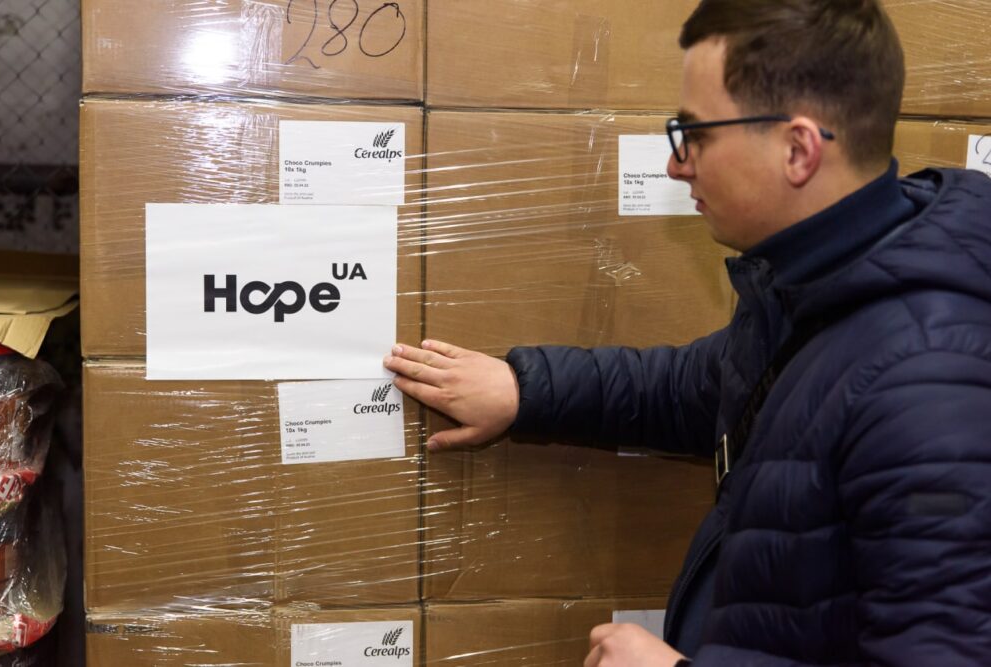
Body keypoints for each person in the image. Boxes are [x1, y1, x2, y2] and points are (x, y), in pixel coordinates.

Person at [383, 0, 991, 664]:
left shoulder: (928, 384)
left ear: (798, 150)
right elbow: (699, 387)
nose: (677, 165)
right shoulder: (825, 280)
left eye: (695, 134)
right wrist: (524, 388)